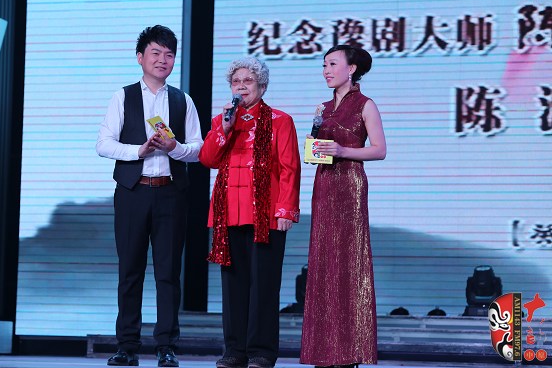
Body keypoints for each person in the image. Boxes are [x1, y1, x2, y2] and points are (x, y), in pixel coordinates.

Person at [96, 25, 203, 367]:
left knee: (168, 274)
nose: (163, 60)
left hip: (171, 193)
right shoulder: (123, 97)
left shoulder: (183, 100)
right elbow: (103, 144)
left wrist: (175, 148)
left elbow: (199, 149)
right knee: (130, 271)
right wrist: (137, 151)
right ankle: (127, 346)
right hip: (133, 192)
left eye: (169, 55)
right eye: (156, 53)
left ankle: (166, 346)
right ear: (140, 57)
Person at [199, 56, 301, 368]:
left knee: (264, 285)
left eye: (248, 81)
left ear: (262, 86)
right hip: (228, 213)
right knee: (233, 286)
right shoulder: (222, 120)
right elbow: (208, 159)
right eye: (236, 82)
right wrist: (225, 128)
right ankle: (235, 351)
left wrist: (286, 210)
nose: (241, 87)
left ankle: (262, 351)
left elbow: (289, 168)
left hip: (266, 216)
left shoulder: (280, 120)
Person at [299, 45, 386, 368]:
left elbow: (379, 150)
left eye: (332, 64)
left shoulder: (365, 105)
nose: (326, 70)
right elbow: (315, 151)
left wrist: (343, 151)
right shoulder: (322, 108)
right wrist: (314, 150)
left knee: (349, 264)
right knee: (323, 264)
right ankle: (324, 351)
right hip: (324, 184)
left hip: (350, 186)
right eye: (324, 65)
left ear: (351, 69)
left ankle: (349, 353)